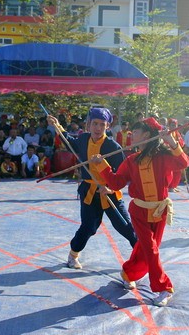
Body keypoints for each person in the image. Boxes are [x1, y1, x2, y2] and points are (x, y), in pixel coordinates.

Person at [90, 117, 189, 307]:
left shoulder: (162, 157)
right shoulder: (131, 160)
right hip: (139, 211)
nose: (131, 134)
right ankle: (163, 288)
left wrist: (171, 142)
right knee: (150, 249)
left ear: (146, 135)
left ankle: (129, 273)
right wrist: (101, 165)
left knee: (146, 250)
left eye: (135, 132)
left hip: (160, 210)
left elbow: (183, 162)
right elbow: (116, 183)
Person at [47, 108, 137, 270]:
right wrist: (57, 126)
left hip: (110, 191)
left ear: (107, 126)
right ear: (88, 125)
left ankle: (142, 257)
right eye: (94, 124)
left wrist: (109, 187)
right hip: (89, 190)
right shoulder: (83, 139)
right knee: (89, 227)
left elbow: (124, 173)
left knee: (124, 225)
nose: (97, 128)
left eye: (102, 125)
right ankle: (73, 254)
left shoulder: (112, 146)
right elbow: (69, 142)